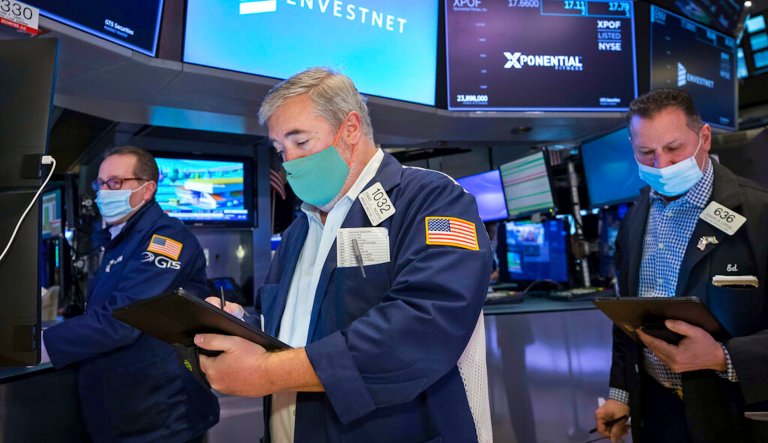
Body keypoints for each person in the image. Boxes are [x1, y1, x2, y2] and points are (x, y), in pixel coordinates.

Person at [196, 67, 494, 443]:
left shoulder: (430, 198)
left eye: (300, 142)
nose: (289, 163)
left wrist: (271, 373)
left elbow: (425, 324)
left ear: (351, 128)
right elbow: (295, 325)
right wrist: (244, 323)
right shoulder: (298, 229)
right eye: (280, 150)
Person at [594, 89, 768, 443]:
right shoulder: (636, 217)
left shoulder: (758, 212)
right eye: (646, 153)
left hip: (733, 410)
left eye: (674, 148)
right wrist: (620, 394)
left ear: (703, 137)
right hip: (658, 410)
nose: (662, 164)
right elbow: (629, 312)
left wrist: (723, 356)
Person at [42, 146, 220, 442]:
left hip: (162, 415)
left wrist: (39, 345)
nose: (103, 192)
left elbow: (122, 321)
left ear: (147, 189)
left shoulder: (166, 239)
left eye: (115, 182)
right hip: (125, 411)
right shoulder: (120, 238)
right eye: (100, 184)